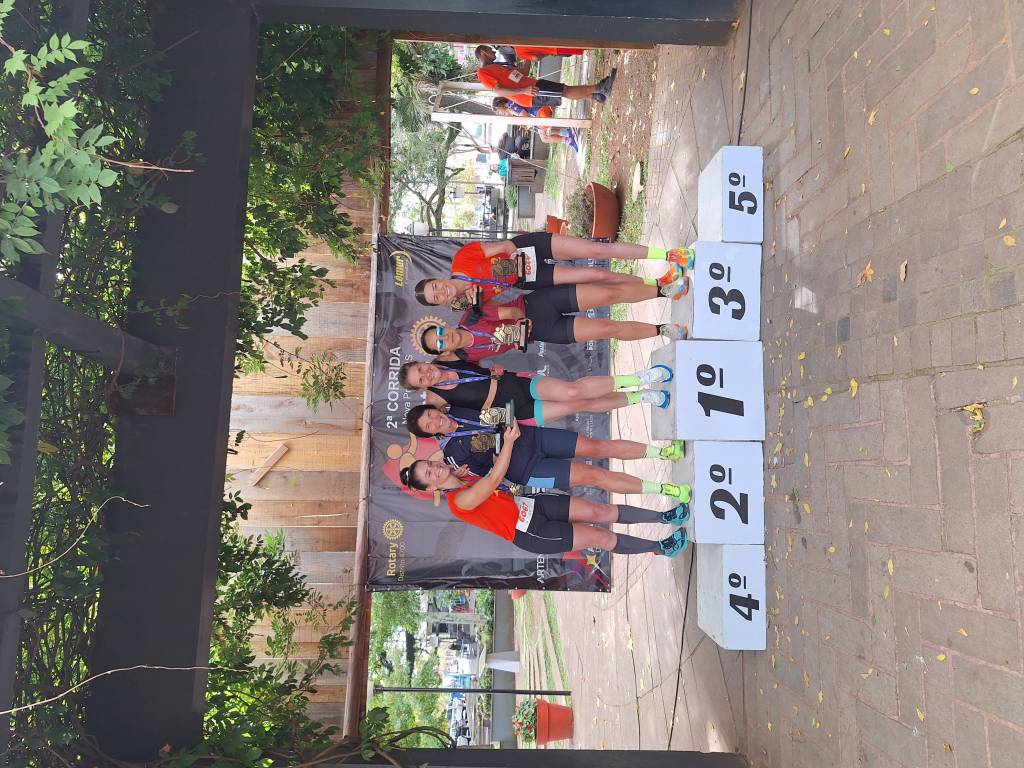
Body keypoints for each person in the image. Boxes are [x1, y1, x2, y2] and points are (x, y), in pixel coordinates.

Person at [399, 420, 690, 558]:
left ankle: (664, 517)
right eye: (430, 474)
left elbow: (494, 487)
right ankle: (660, 548)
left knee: (600, 511)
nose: (435, 468)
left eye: (430, 464)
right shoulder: (457, 502)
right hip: (531, 531)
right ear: (431, 487)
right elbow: (492, 483)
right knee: (600, 537)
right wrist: (508, 443)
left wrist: (460, 473)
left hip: (534, 506)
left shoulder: (464, 479)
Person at [406, 402, 689, 500]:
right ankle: (663, 489)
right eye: (428, 426)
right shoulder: (452, 456)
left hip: (533, 437)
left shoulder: (456, 409)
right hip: (528, 469)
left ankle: (662, 453)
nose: (435, 420)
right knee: (595, 476)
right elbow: (491, 478)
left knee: (598, 446)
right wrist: (497, 457)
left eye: (430, 414)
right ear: (431, 435)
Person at [413, 232, 696, 307]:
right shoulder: (466, 303)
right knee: (597, 276)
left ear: (438, 278)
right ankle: (660, 283)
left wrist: (514, 257)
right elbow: (500, 306)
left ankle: (669, 255)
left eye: (435, 286)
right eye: (437, 297)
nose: (442, 291)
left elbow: (505, 245)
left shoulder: (462, 260)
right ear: (442, 303)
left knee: (597, 251)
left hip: (527, 249)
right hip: (529, 278)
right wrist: (478, 305)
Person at [397, 359, 673, 425]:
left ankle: (638, 378)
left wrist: (494, 369)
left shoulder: (447, 355)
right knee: (580, 404)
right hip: (517, 412)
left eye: (421, 368)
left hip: (517, 384)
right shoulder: (436, 401)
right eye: (420, 379)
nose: (426, 374)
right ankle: (640, 397)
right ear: (421, 387)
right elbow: (468, 422)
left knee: (573, 391)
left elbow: (480, 345)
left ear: (422, 362)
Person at [475, 46, 617, 108]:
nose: (494, 51)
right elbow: (498, 91)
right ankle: (601, 88)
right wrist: (523, 90)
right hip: (529, 94)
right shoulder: (482, 72)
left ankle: (596, 96)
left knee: (563, 90)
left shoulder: (497, 66)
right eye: (489, 50)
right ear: (483, 52)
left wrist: (527, 53)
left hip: (532, 85)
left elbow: (523, 72)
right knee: (565, 91)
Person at [492, 97, 577, 150]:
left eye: (499, 112)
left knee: (545, 136)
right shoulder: (510, 104)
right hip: (538, 113)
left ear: (499, 106)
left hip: (540, 112)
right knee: (545, 136)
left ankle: (569, 138)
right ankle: (568, 134)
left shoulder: (511, 105)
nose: (501, 113)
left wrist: (526, 125)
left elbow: (525, 116)